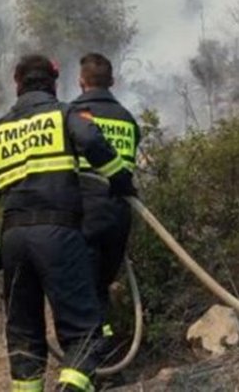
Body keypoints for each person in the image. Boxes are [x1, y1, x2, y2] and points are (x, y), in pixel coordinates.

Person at [0, 54, 135, 391]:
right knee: (83, 328)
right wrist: (119, 179)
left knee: (24, 330)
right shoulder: (65, 114)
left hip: (14, 239)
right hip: (60, 234)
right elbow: (91, 141)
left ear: (16, 84)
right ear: (55, 81)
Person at [70, 53, 141, 353]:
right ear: (112, 82)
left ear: (81, 81)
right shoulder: (127, 118)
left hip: (83, 213)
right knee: (100, 286)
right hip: (118, 215)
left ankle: (91, 358)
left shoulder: (73, 115)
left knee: (80, 290)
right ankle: (107, 349)